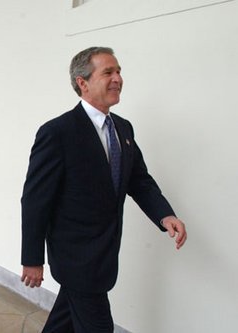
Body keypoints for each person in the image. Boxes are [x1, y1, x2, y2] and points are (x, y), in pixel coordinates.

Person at [20, 47, 187, 332]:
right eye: (108, 72)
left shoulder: (124, 129)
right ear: (82, 83)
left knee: (64, 320)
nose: (118, 78)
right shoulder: (57, 132)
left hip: (105, 253)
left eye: (119, 71)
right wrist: (32, 260)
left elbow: (139, 181)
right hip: (75, 257)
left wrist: (164, 215)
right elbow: (35, 200)